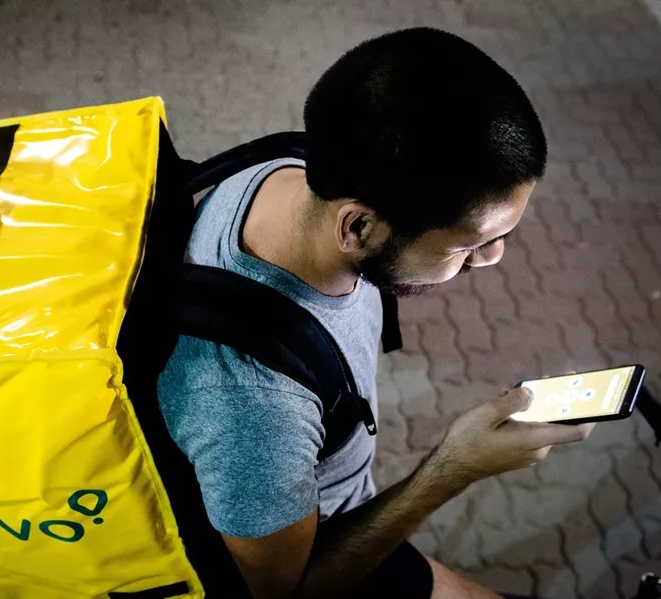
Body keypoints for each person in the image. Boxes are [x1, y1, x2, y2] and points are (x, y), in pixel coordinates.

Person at [156, 27, 593, 599]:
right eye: (470, 243)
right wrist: (452, 468)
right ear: (359, 226)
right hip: (331, 546)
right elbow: (285, 591)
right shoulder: (252, 402)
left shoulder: (293, 165)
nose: (493, 258)